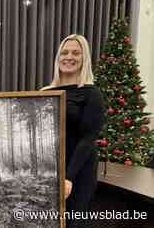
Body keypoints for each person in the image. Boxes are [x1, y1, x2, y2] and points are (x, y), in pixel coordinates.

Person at [42, 34, 105, 227]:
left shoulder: (91, 93)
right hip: (50, 169)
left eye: (76, 53)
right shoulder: (44, 92)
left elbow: (89, 138)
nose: (69, 57)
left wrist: (68, 177)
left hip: (78, 171)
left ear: (84, 58)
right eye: (64, 52)